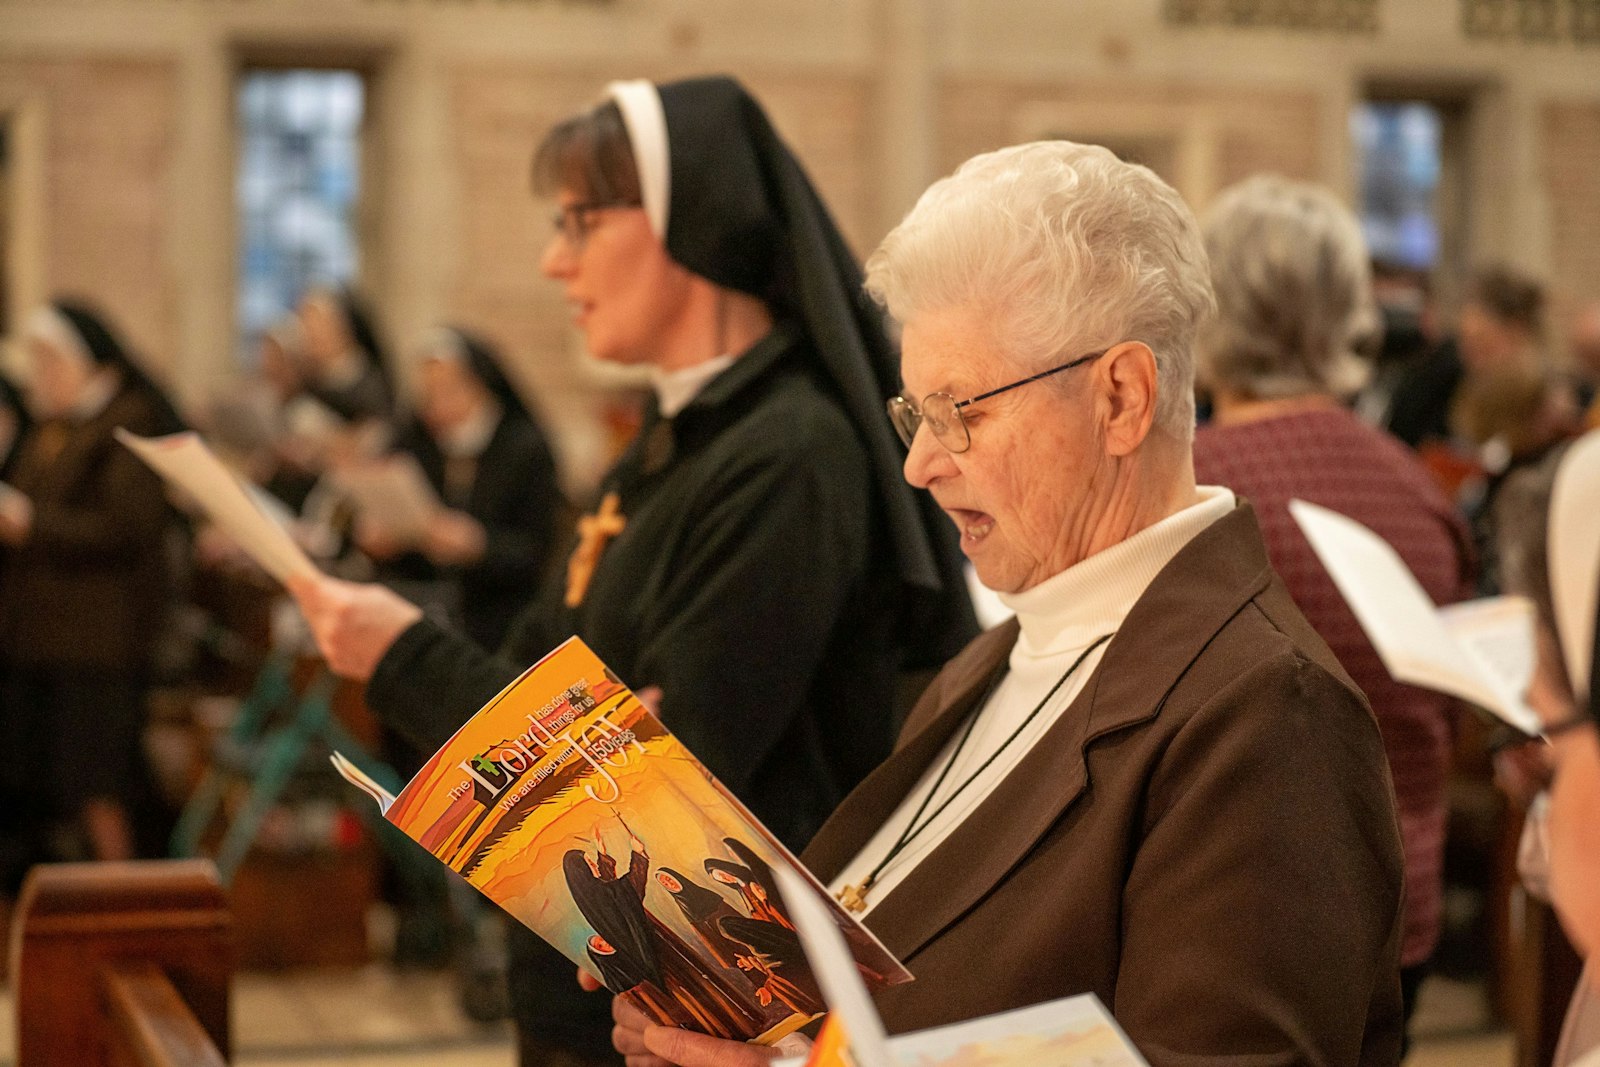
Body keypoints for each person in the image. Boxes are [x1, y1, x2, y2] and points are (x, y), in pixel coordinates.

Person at [609, 141, 1406, 1067]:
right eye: (914, 416)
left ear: (1121, 398)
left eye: (960, 411)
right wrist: (733, 996)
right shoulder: (988, 662)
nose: (919, 464)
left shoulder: (1269, 714)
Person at [291, 75, 975, 1066]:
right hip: (595, 980)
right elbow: (551, 672)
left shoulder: (789, 452)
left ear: (684, 220)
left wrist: (410, 655)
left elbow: (663, 777)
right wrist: (580, 718)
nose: (551, 261)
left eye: (578, 222)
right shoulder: (673, 434)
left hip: (687, 1019)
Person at [1187, 175, 1473, 1047]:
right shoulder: (1419, 487)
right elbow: (1448, 709)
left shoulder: (1188, 487)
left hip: (1237, 917)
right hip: (1400, 908)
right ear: (1351, 309)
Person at [0, 300, 185, 891]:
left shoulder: (129, 423)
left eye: (50, 361)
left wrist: (31, 523)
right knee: (51, 780)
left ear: (88, 362)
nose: (39, 374)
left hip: (102, 639)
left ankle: (124, 900)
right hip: (44, 634)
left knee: (99, 780)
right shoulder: (55, 428)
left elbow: (125, 529)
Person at [362, 326, 563, 651]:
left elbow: (537, 553)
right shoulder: (417, 441)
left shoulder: (525, 448)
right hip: (422, 601)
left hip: (498, 611)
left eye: (450, 390)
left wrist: (479, 545)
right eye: (429, 393)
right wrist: (388, 540)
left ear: (482, 386)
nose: (437, 406)